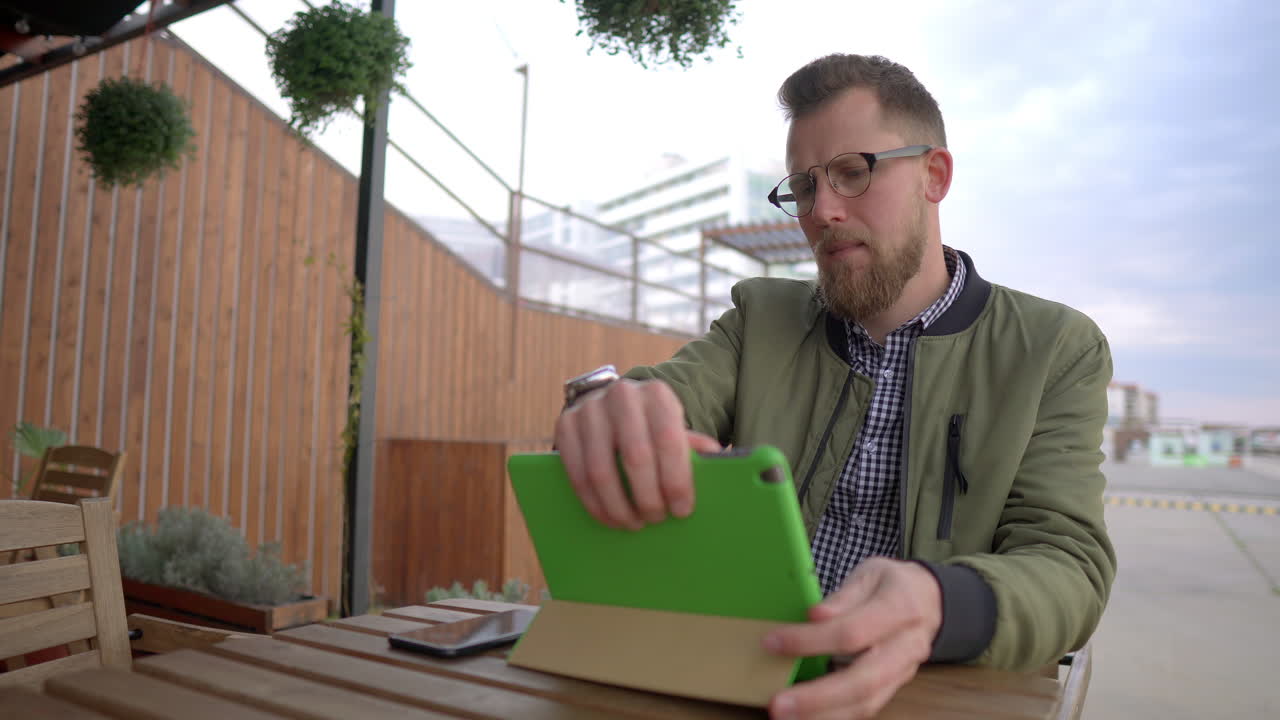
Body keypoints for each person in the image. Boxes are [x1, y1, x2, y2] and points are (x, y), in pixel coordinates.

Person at [554, 53, 1116, 720]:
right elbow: (669, 395)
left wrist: (942, 602)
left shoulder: (1053, 349)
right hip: (745, 682)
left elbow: (1067, 563)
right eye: (803, 186)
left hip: (927, 697)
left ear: (934, 176)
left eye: (853, 172)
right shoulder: (761, 318)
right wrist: (609, 409)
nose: (821, 211)